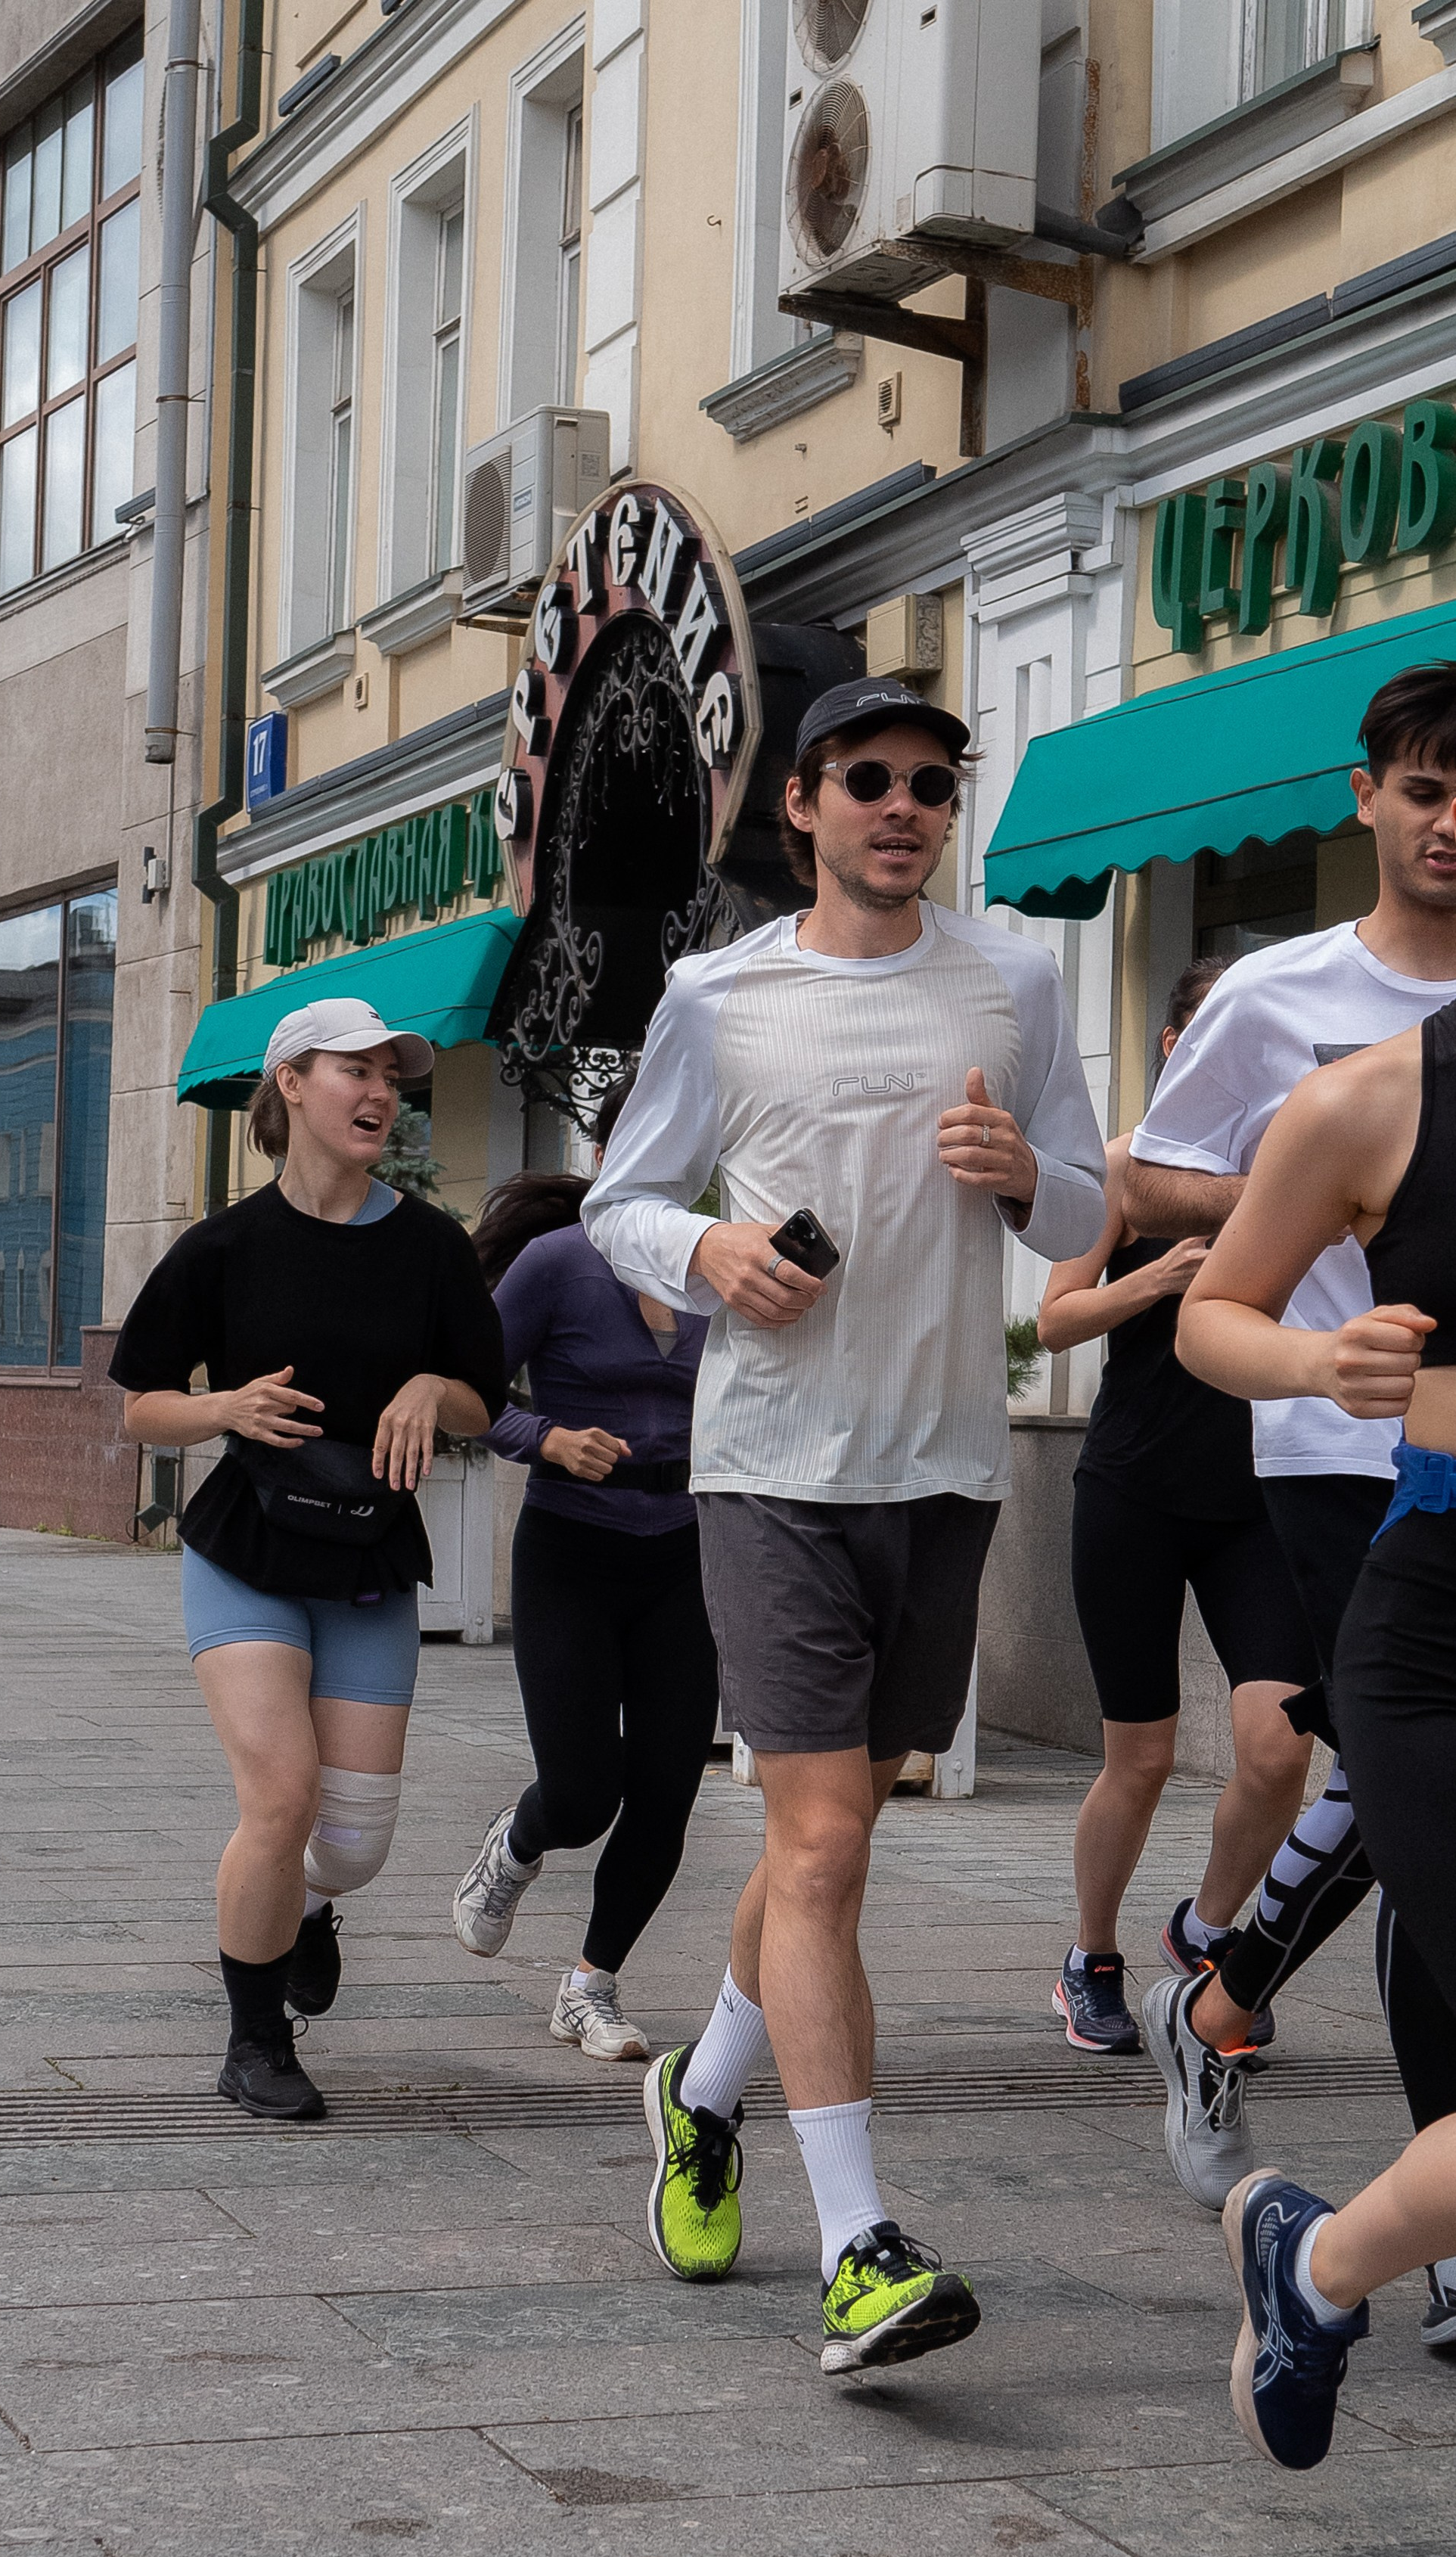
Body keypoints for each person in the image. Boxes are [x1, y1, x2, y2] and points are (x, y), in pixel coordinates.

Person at [582, 676, 1107, 2375]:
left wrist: (1023, 1174)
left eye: (933, 783)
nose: (903, 805)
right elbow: (620, 1203)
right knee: (822, 1849)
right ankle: (861, 2246)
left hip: (942, 1472)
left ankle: (704, 2092)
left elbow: (1085, 1207)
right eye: (868, 777)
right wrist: (708, 1252)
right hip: (771, 1473)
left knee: (837, 1831)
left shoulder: (1015, 979)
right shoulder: (718, 995)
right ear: (801, 804)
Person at [1125, 663, 1456, 2234]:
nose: (1450, 824)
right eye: (1426, 792)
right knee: (1401, 1791)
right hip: (1334, 1435)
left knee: (1404, 1806)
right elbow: (1151, 1180)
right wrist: (1330, 1193)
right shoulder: (1280, 999)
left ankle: (1223, 1993)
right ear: (1366, 799)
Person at [110, 999, 505, 2121]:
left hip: (370, 1555)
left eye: (391, 1075)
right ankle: (254, 2044)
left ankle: (312, 1907)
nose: (381, 1093)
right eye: (355, 1071)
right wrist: (224, 1407)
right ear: (291, 1082)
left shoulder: (430, 1246)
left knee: (356, 1842)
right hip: (247, 1549)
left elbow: (483, 1400)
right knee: (281, 1799)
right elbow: (141, 1409)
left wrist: (432, 1388)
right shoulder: (224, 1246)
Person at [1175, 962, 1456, 2459]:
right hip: (1440, 1627)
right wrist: (1317, 1362)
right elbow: (1213, 1313)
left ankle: (1317, 2264)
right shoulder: (1378, 1096)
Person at [1038, 961, 1315, 2057]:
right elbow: (1055, 1320)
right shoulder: (1126, 1170)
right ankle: (1090, 1955)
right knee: (1141, 1757)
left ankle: (1205, 1929)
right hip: (1134, 1492)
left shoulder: (1303, 1171)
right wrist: (1154, 1280)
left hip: (1261, 1497)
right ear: (1172, 1046)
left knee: (1281, 1748)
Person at [451, 1077, 717, 2061]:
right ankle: (518, 1842)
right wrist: (548, 1439)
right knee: (582, 1791)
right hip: (571, 1548)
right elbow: (465, 1392)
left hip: (687, 1553)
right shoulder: (558, 1263)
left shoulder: (716, 1268)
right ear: (606, 1161)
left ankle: (590, 1986)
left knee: (667, 1789)